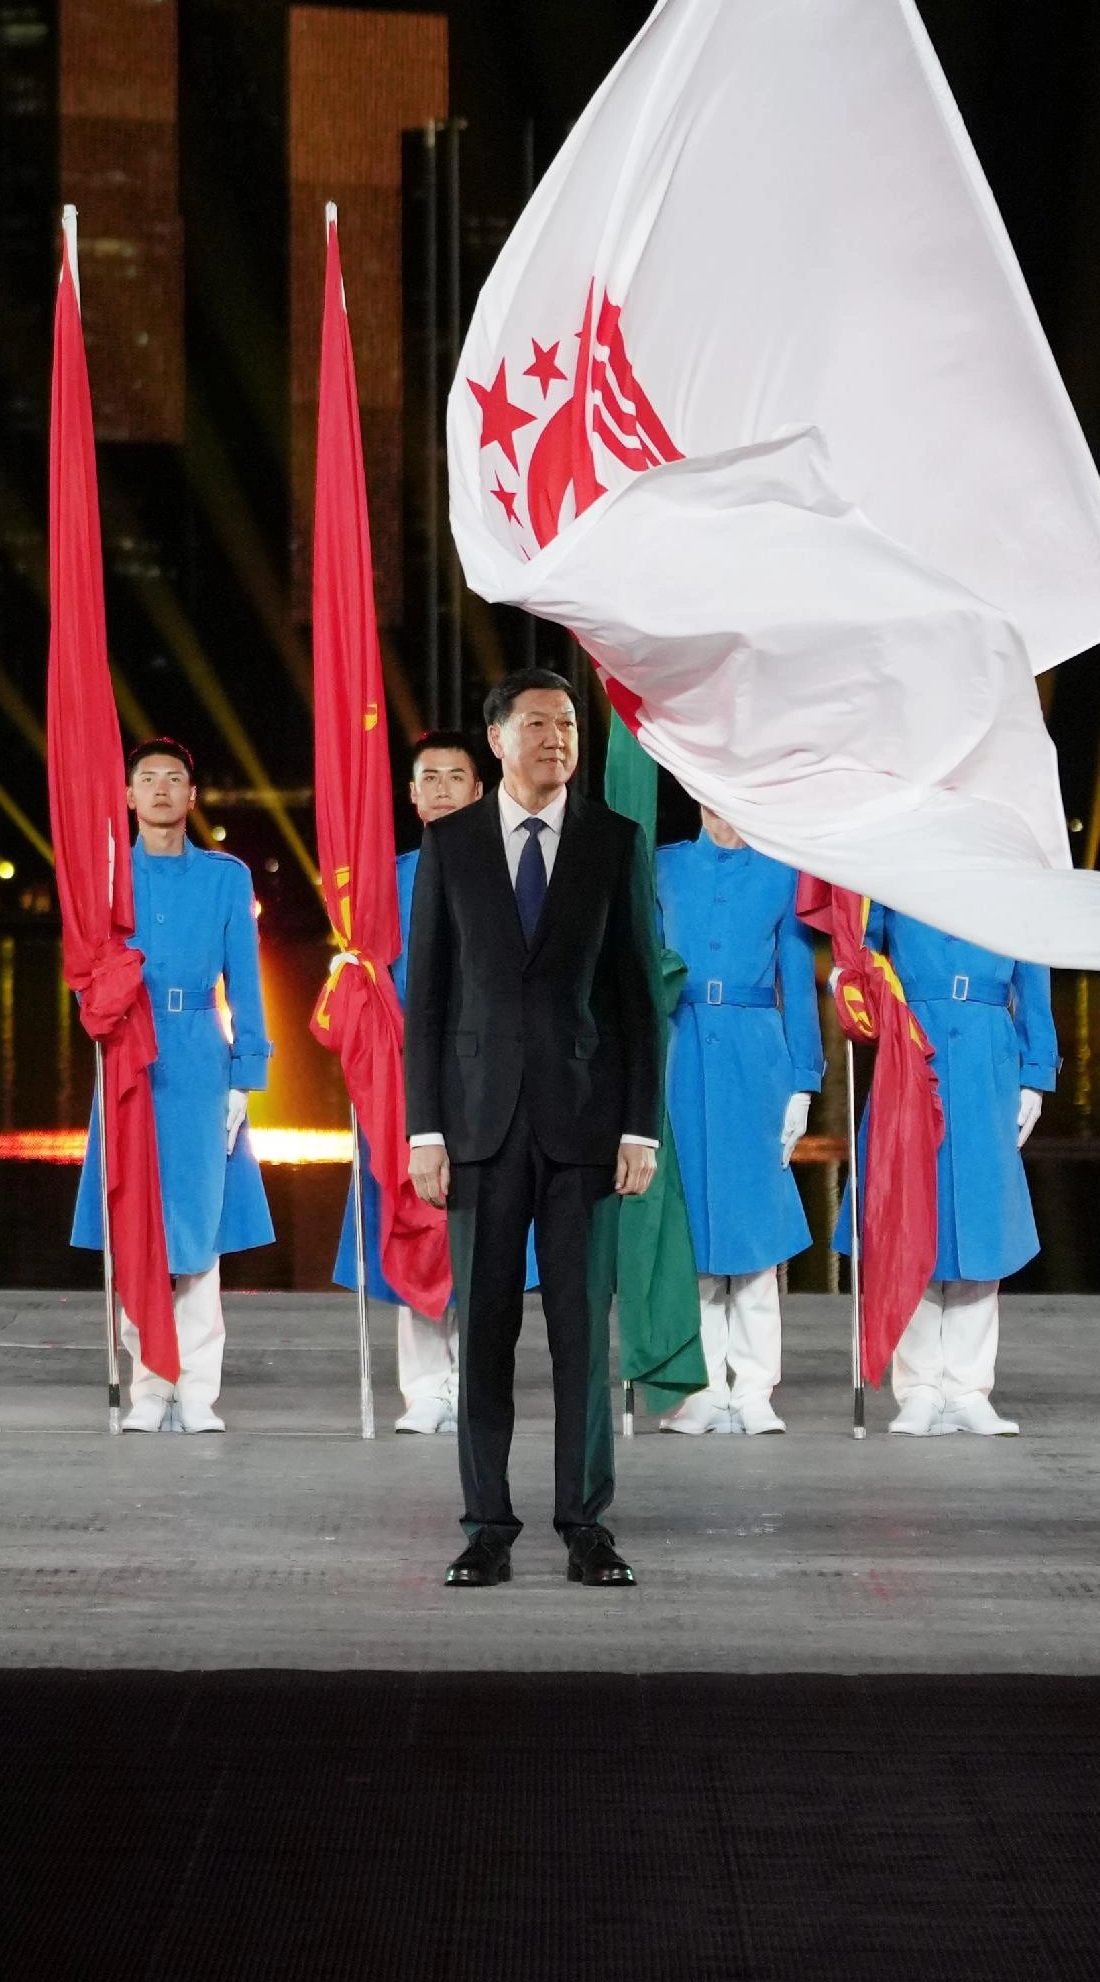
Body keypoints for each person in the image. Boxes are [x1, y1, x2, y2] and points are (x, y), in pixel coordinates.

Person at [403, 670, 661, 1589]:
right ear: (498, 738)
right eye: (539, 725)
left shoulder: (614, 841)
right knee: (485, 1331)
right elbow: (427, 999)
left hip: (585, 1126)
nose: (558, 739)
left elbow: (638, 998)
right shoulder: (451, 843)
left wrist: (640, 1129)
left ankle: (586, 1526)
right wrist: (424, 1131)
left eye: (569, 726)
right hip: (478, 1127)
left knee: (582, 1336)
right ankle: (486, 1526)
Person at [72, 738, 275, 1432]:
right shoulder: (106, 878)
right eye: (147, 778)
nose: (161, 788)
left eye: (174, 778)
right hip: (127, 1056)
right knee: (135, 1224)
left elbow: (246, 981)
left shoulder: (225, 877)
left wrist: (246, 1074)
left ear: (192, 795)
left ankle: (197, 1391)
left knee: (196, 1229)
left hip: (198, 1057)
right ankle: (150, 1387)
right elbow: (83, 972)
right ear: (128, 795)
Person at [651, 804, 824, 1437]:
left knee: (755, 1229)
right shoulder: (664, 868)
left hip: (757, 1058)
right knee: (691, 1230)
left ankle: (754, 1389)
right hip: (680, 1054)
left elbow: (798, 983)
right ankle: (699, 1389)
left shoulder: (783, 873)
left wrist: (804, 1080)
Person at [855, 905, 1057, 1436]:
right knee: (914, 1216)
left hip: (988, 1055)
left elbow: (1034, 973)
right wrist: (850, 980)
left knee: (981, 1223)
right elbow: (864, 947)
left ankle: (969, 1388)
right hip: (913, 1047)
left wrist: (1036, 1075)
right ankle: (919, 1388)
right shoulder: (899, 873)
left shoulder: (1011, 878)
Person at [336, 731, 483, 1433]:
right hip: (407, 1074)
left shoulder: (514, 873)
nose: (443, 788)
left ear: (480, 790)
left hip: (488, 1072)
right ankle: (425, 1389)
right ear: (412, 795)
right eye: (431, 777)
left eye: (457, 776)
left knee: (481, 1223)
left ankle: (477, 1383)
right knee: (413, 1216)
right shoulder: (384, 883)